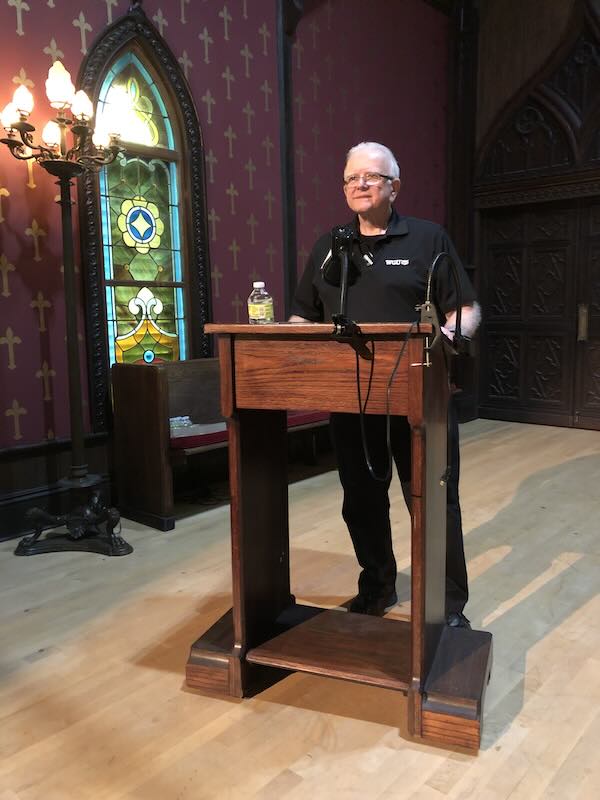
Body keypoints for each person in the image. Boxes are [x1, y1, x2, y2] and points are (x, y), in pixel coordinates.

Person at [289, 141, 481, 628]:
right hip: (349, 397)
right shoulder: (330, 246)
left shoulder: (427, 239)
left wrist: (443, 341)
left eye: (371, 177)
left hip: (420, 396)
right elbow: (302, 316)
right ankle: (377, 587)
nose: (359, 184)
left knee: (433, 499)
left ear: (394, 186)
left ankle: (446, 606)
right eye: (351, 177)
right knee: (360, 499)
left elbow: (465, 308)